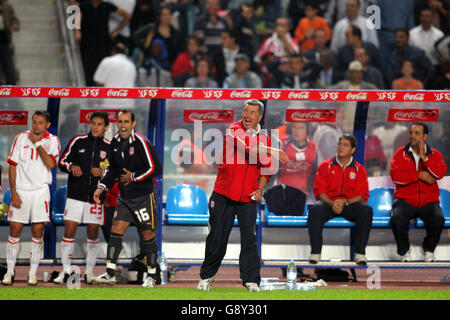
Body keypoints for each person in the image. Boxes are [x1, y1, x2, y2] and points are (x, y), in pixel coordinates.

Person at [197, 99, 288, 292]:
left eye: (252, 112)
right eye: (245, 111)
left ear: (259, 117)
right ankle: (206, 277)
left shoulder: (266, 137)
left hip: (248, 197)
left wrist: (261, 188)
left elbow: (268, 168)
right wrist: (273, 149)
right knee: (217, 238)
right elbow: (248, 147)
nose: (247, 115)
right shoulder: (233, 129)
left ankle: (251, 280)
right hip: (223, 194)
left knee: (249, 239)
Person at [91, 109, 162, 287]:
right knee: (116, 229)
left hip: (143, 196)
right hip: (125, 197)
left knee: (148, 233)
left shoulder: (141, 143)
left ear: (133, 124)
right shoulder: (114, 142)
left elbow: (156, 168)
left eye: (126, 122)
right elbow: (112, 169)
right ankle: (109, 274)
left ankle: (152, 275)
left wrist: (134, 177)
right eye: (120, 122)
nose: (123, 125)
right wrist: (101, 187)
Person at [3, 111, 61, 286]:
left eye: (40, 123)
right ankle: (9, 271)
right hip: (21, 189)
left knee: (37, 231)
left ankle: (33, 273)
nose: (36, 125)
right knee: (14, 229)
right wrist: (13, 192)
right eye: (34, 122)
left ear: (47, 125)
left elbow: (51, 164)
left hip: (40, 191)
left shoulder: (53, 141)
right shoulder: (21, 137)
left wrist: (37, 145)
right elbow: (12, 166)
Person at [54, 111, 111, 285]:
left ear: (106, 127)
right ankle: (65, 271)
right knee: (69, 231)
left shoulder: (109, 146)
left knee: (93, 233)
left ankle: (89, 272)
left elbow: (114, 171)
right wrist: (72, 166)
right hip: (75, 196)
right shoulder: (77, 141)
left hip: (96, 198)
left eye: (99, 124)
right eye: (93, 123)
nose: (95, 127)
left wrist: (102, 172)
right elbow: (62, 161)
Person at [308, 134, 373, 265]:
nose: (341, 147)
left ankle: (360, 253)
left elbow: (362, 194)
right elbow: (320, 192)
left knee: (366, 210)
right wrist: (333, 203)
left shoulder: (359, 169)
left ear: (353, 150)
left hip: (349, 205)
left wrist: (345, 202)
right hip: (329, 203)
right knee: (315, 209)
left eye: (345, 145)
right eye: (340, 144)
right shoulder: (325, 166)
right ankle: (315, 253)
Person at [390, 123, 447, 262]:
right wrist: (418, 175)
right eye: (411, 133)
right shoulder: (400, 153)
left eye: (417, 133)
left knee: (438, 219)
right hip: (405, 200)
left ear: (425, 136)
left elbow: (439, 173)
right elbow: (396, 176)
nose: (412, 136)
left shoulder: (435, 154)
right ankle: (404, 251)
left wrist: (424, 158)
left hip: (428, 201)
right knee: (397, 219)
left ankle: (428, 249)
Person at [76, 0, 131, 86]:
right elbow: (77, 19)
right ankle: (88, 91)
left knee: (102, 65)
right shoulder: (84, 6)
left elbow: (127, 15)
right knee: (88, 68)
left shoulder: (107, 6)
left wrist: (116, 32)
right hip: (88, 42)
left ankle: (102, 89)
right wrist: (77, 31)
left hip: (103, 42)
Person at [277, 122, 317, 196]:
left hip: (304, 193)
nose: (296, 131)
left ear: (307, 131)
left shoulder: (313, 146)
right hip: (283, 192)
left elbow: (314, 172)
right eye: (294, 127)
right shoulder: (281, 143)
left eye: (300, 128)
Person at [0, 0, 19, 85]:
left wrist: (14, 25)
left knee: (8, 64)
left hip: (4, 38)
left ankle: (11, 86)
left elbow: (14, 20)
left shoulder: (6, 6)